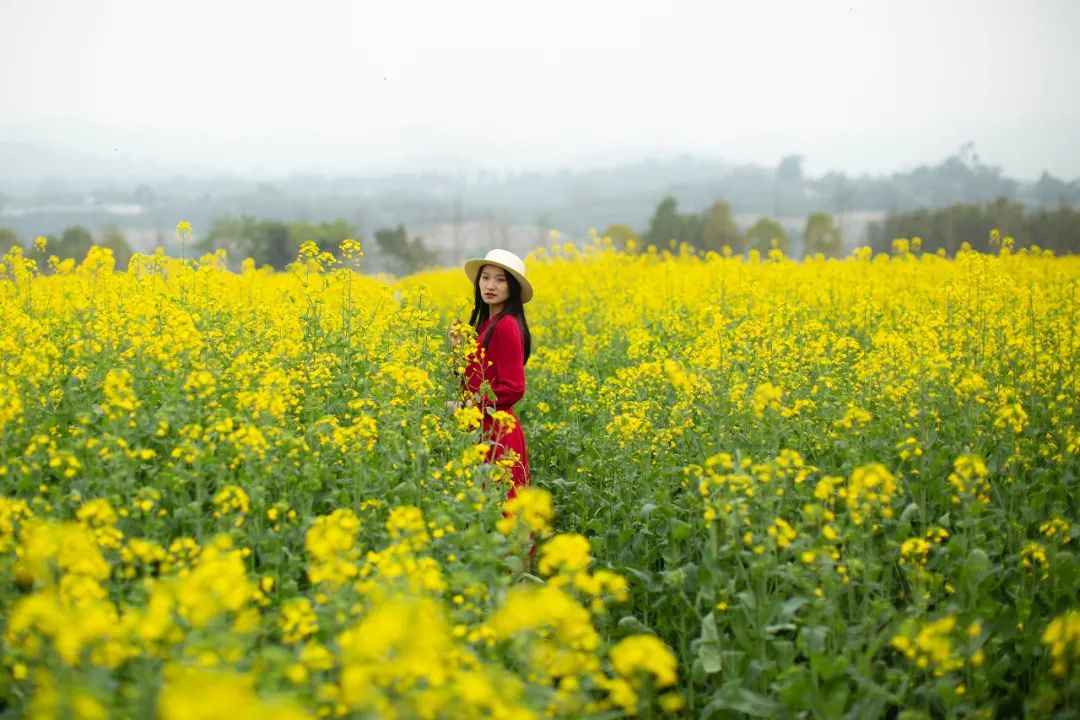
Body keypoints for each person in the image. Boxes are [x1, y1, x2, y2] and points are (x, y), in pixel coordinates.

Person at [453, 249, 532, 499]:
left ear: (512, 288)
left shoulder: (506, 325)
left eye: (500, 279)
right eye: (485, 278)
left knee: (498, 517)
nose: (490, 285)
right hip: (483, 430)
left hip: (497, 434)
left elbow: (514, 388)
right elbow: (473, 379)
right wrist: (459, 351)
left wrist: (469, 405)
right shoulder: (486, 324)